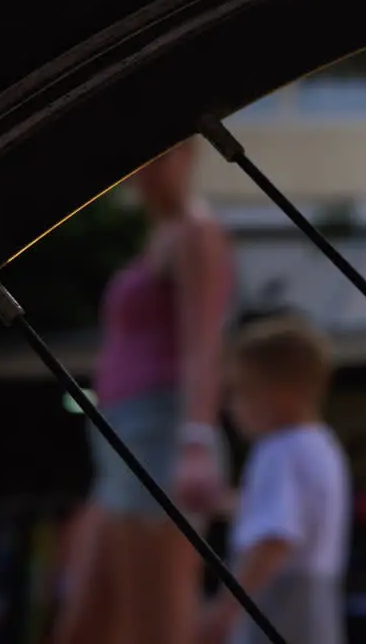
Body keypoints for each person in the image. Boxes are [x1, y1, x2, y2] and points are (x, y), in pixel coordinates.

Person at [55, 138, 235, 644]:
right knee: (84, 628)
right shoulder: (159, 236)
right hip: (119, 444)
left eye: (161, 157)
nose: (147, 173)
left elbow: (204, 345)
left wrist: (195, 443)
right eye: (143, 159)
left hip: (161, 442)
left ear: (188, 157)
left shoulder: (198, 233)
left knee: (153, 629)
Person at [199, 316, 350, 644]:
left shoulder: (278, 451)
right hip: (316, 607)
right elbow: (287, 511)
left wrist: (224, 611)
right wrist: (226, 501)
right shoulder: (320, 445)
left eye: (239, 390)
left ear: (279, 392)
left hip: (279, 604)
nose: (231, 407)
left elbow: (274, 538)